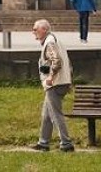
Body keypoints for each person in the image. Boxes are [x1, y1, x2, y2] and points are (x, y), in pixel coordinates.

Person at [32, 18, 74, 152]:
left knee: (55, 114)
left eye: (35, 29)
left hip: (55, 84)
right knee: (46, 114)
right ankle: (43, 143)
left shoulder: (49, 43)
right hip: (61, 82)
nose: (33, 32)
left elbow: (57, 61)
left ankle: (66, 144)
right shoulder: (54, 39)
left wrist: (51, 77)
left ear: (44, 29)